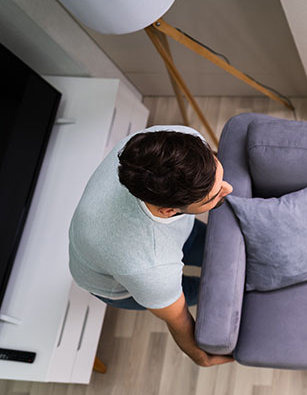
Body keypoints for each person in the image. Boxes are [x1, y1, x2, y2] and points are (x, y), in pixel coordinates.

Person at [69, 126, 234, 367]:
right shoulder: (147, 266)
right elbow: (178, 319)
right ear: (168, 210)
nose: (229, 189)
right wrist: (201, 356)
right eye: (212, 196)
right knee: (204, 292)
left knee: (216, 258)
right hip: (118, 280)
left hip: (160, 238)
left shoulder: (173, 141)